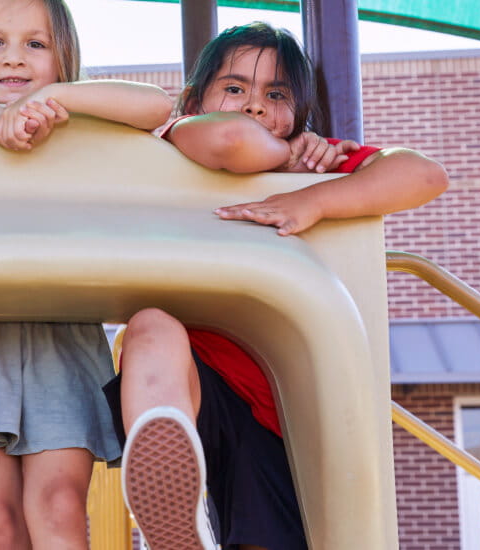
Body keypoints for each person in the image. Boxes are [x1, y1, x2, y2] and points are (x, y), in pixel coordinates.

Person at [113, 22, 450, 550]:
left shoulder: (315, 168)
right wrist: (287, 157)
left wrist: (314, 198)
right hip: (194, 389)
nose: (253, 105)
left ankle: (187, 531)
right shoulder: (177, 140)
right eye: (234, 87)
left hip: (284, 409)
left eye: (275, 94)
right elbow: (228, 139)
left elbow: (425, 175)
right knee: (149, 327)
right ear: (193, 99)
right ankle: (169, 487)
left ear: (299, 113)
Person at [0, 1, 172, 548]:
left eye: (35, 45)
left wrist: (50, 97)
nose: (14, 58)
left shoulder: (77, 119)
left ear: (64, 55)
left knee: (59, 504)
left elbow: (155, 105)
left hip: (55, 333)